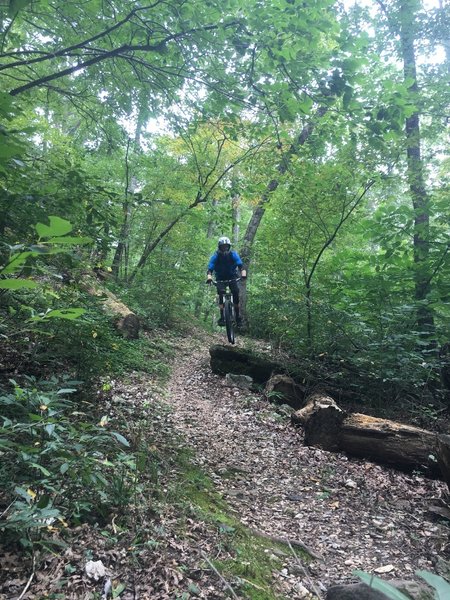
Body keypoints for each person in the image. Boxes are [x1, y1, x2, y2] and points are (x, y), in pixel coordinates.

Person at [206, 236, 247, 326]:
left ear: (229, 247)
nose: (225, 248)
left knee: (235, 293)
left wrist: (243, 273)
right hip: (220, 278)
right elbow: (210, 268)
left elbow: (240, 265)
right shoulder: (216, 255)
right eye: (223, 246)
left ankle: (237, 318)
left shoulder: (233, 254)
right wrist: (209, 277)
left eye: (226, 246)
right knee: (221, 293)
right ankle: (222, 317)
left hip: (232, 276)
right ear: (219, 247)